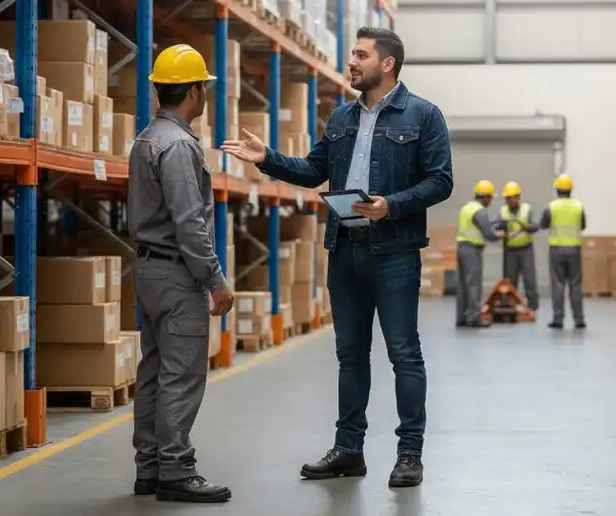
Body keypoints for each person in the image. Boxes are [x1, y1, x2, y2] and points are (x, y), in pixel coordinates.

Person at [221, 27, 452, 488]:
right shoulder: (343, 116)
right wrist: (267, 158)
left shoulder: (423, 115)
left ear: (387, 64)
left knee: (404, 354)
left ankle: (409, 454)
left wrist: (390, 205)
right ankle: (349, 449)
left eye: (361, 55)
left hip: (395, 252)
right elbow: (314, 171)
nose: (352, 62)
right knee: (350, 355)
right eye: (353, 54)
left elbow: (440, 180)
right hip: (345, 248)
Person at [126, 44, 234, 504]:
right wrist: (215, 281)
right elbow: (190, 223)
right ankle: (176, 470)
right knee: (181, 375)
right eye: (203, 87)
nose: (205, 94)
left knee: (154, 371)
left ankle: (149, 468)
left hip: (148, 270)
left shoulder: (147, 138)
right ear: (193, 92)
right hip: (176, 274)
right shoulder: (179, 145)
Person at [540, 174, 587, 329]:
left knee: (558, 284)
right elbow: (582, 225)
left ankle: (558, 319)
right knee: (575, 285)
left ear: (557, 189)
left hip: (557, 249)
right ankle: (579, 319)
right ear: (571, 189)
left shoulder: (551, 207)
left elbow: (543, 224)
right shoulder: (578, 206)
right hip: (574, 248)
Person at [455, 180, 503, 328]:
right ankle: (474, 318)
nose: (490, 201)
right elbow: (488, 234)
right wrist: (500, 234)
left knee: (462, 284)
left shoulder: (466, 208)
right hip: (472, 250)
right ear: (486, 197)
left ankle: (461, 317)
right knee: (473, 284)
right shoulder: (480, 211)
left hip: (461, 247)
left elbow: (476, 226)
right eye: (490, 198)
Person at [499, 181, 539, 312]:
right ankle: (510, 306)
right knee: (510, 281)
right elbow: (496, 226)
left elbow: (535, 226)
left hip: (526, 249)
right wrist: (500, 230)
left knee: (530, 279)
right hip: (510, 251)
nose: (510, 200)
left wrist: (527, 226)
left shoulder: (526, 209)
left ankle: (532, 307)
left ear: (518, 197)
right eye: (508, 198)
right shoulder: (503, 211)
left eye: (513, 197)